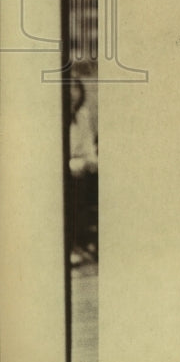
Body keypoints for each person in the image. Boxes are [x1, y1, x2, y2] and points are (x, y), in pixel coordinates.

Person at [69, 76, 98, 266]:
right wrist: (72, 163)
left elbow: (88, 146)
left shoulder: (83, 114)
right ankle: (73, 245)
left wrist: (91, 162)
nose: (72, 93)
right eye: (68, 89)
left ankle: (89, 241)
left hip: (81, 164)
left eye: (76, 88)